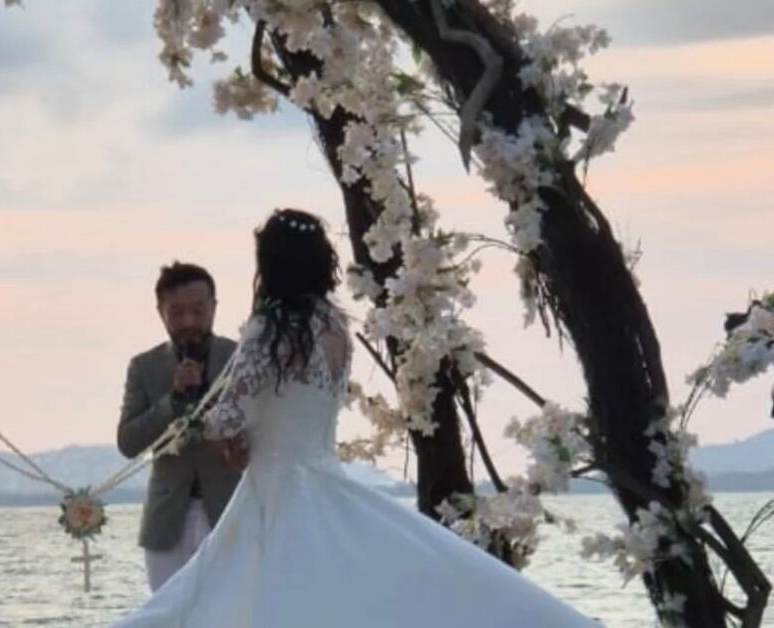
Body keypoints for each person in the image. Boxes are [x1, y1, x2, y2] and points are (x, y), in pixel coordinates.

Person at [115, 209, 599, 627]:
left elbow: (226, 417)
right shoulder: (335, 324)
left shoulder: (268, 326)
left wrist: (211, 425)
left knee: (231, 598)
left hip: (276, 488)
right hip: (325, 476)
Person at [117, 262, 242, 592]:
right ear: (161, 313)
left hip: (231, 512)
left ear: (214, 307)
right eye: (177, 312)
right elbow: (128, 442)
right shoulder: (144, 367)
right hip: (167, 520)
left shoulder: (240, 359)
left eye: (198, 310)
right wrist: (171, 401)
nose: (188, 322)